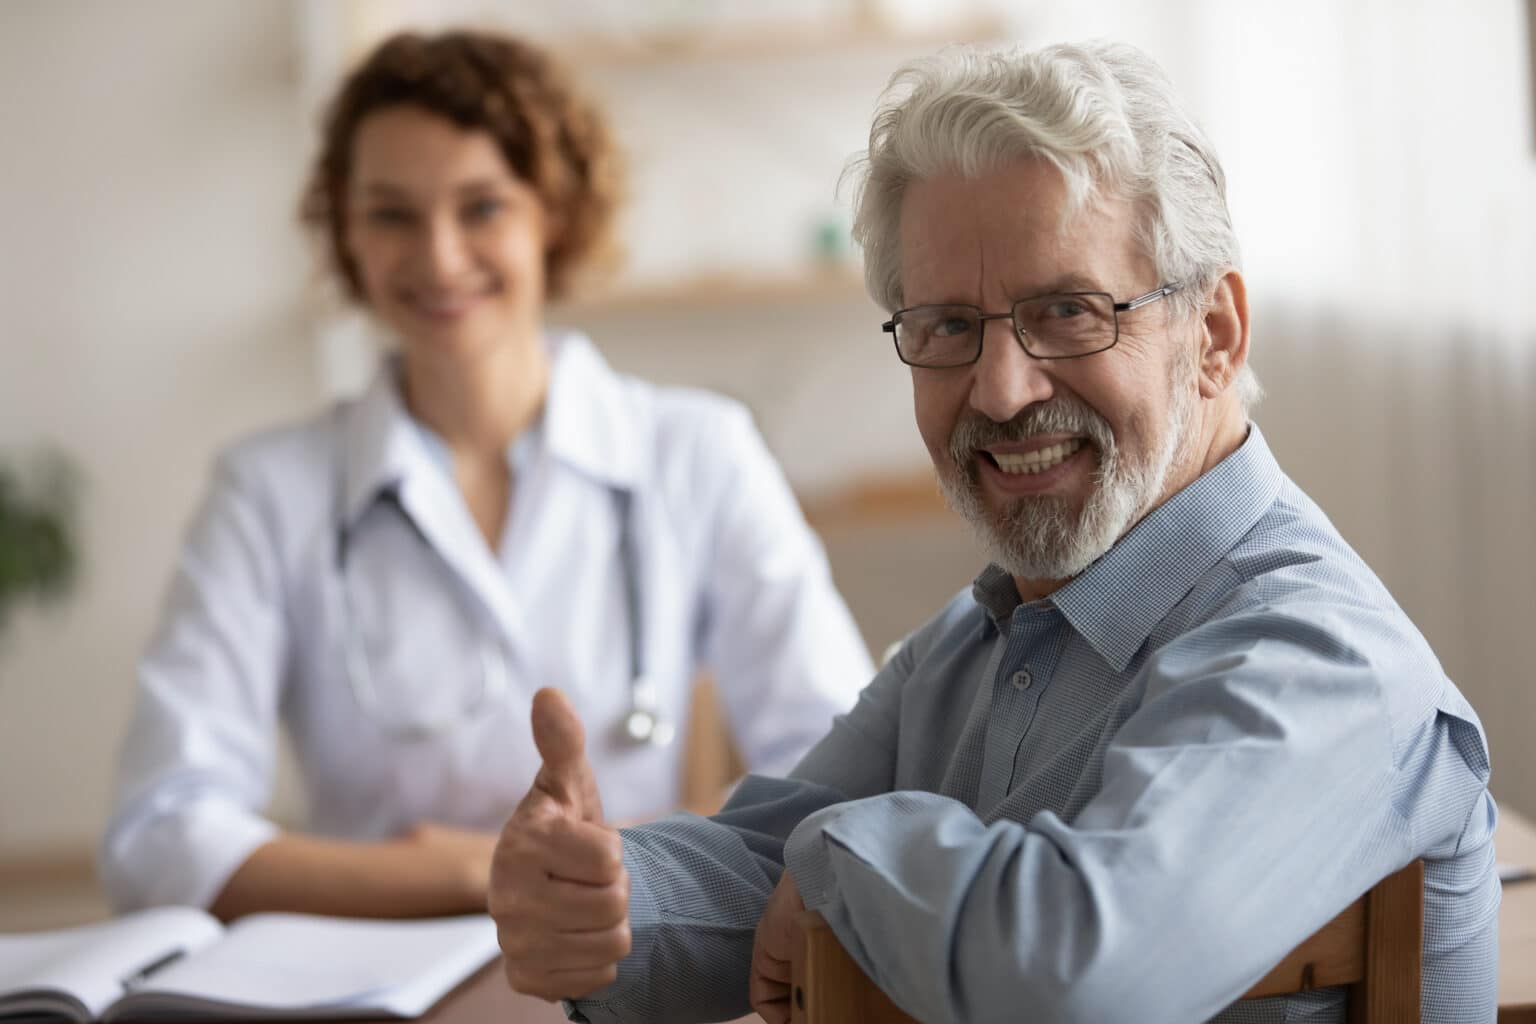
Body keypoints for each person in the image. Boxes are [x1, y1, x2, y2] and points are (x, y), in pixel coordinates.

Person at [486, 40, 1500, 1023]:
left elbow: (1079, 975)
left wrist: (836, 855)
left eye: (1067, 311)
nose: (1003, 390)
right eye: (946, 326)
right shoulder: (988, 630)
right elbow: (765, 860)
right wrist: (607, 898)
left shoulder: (1320, 654)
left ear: (1216, 335)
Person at [98, 29, 873, 921]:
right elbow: (157, 836)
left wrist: (584, 871)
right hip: (371, 980)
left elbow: (834, 774)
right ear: (345, 234)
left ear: (555, 215)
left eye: (481, 207)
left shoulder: (698, 451)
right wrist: (485, 872)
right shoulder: (267, 492)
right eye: (391, 213)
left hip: (631, 967)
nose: (437, 256)